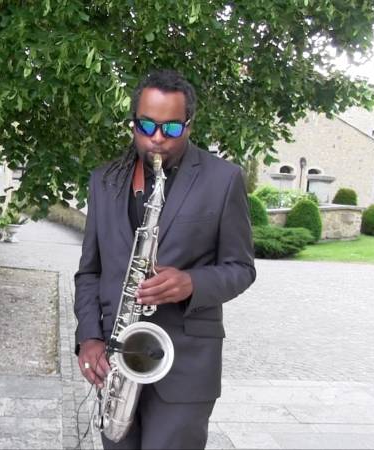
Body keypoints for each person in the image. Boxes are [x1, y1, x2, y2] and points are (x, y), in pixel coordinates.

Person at [74, 69, 256, 449]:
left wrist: (191, 283)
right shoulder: (103, 180)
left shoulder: (223, 180)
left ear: (189, 125)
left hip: (185, 366)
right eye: (146, 126)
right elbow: (89, 271)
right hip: (117, 360)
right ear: (133, 122)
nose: (157, 139)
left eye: (172, 129)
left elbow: (241, 269)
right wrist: (89, 336)